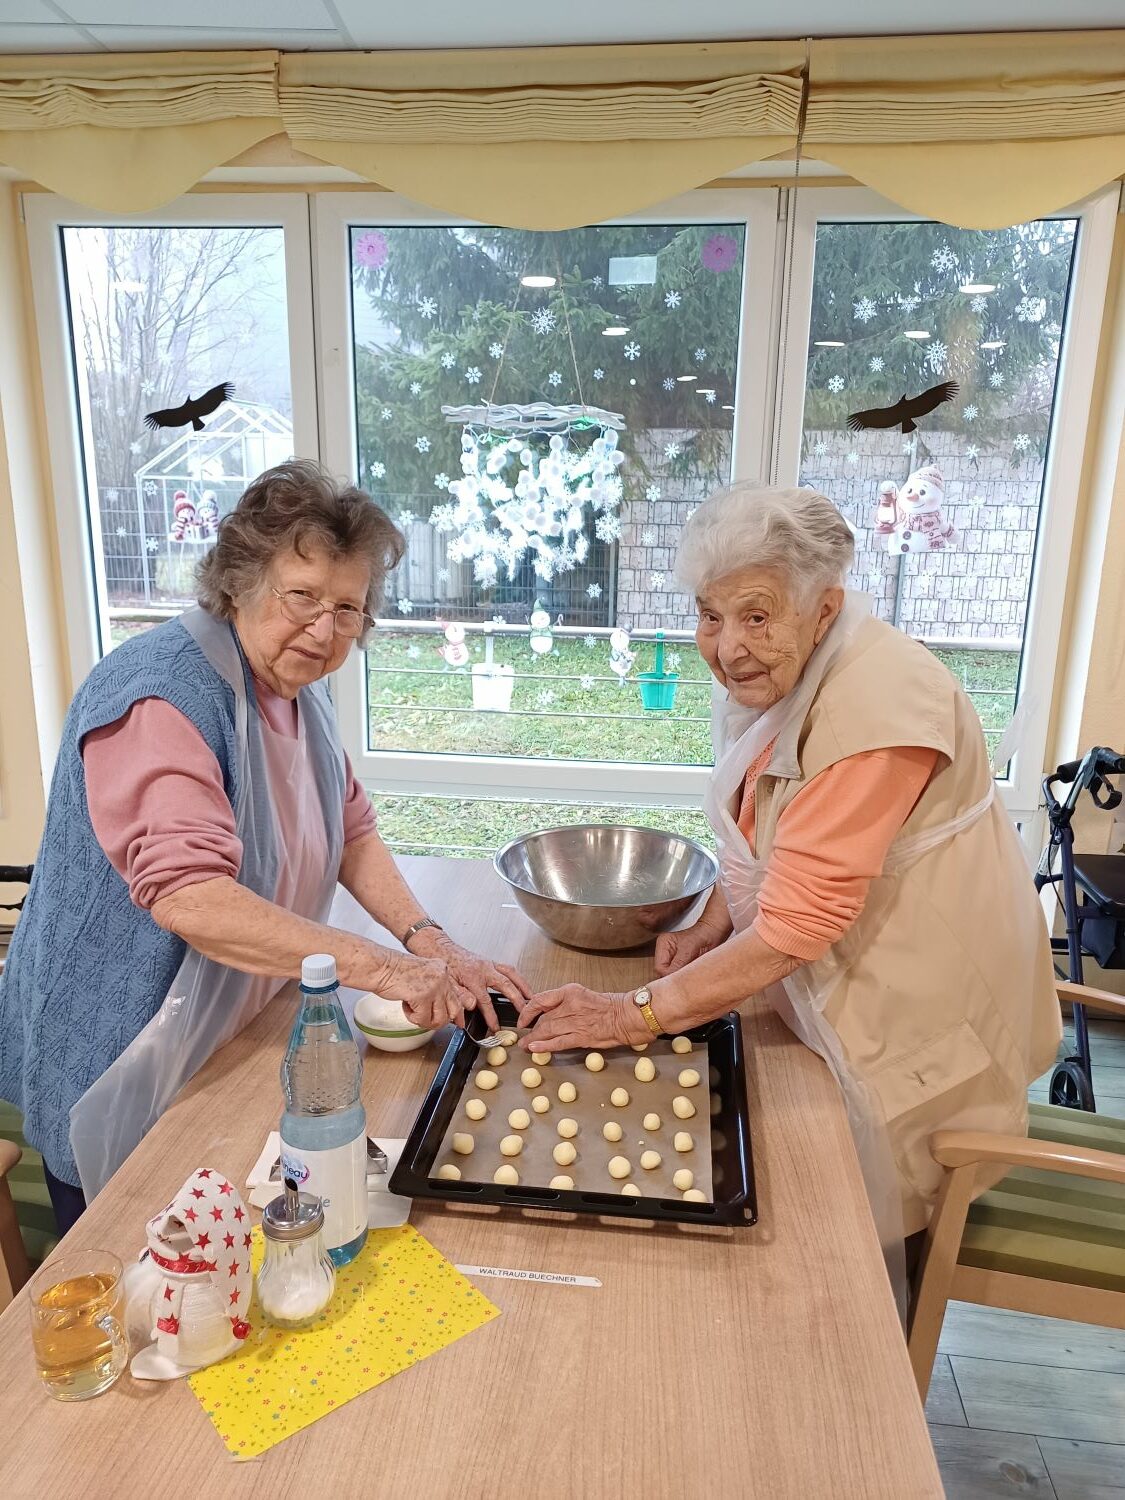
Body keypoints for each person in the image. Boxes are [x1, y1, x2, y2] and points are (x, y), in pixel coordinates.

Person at [521, 483, 1060, 1278]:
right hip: (837, 1003)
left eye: (756, 616)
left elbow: (799, 923)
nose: (727, 648)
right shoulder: (799, 671)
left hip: (918, 1029)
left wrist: (630, 1016)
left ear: (822, 607)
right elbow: (768, 829)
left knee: (862, 1276)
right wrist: (712, 926)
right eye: (710, 615)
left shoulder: (875, 710)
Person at [0, 459, 527, 1231]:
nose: (325, 629)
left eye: (347, 608)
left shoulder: (296, 690)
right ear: (241, 581)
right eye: (302, 596)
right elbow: (191, 898)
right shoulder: (160, 695)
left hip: (225, 1030)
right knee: (133, 1255)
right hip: (120, 1045)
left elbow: (350, 829)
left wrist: (433, 944)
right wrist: (385, 968)